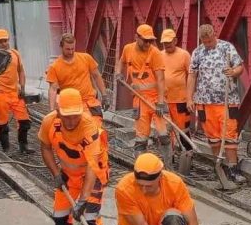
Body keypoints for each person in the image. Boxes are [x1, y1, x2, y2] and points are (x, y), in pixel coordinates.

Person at [38, 88, 111, 225]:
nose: (71, 121)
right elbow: (45, 147)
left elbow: (91, 167)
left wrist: (83, 200)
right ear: (59, 112)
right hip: (67, 176)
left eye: (75, 116)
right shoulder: (49, 123)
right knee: (60, 214)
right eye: (67, 116)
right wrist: (56, 174)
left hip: (93, 175)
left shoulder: (89, 128)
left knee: (90, 218)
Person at [187, 23, 245, 184]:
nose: (207, 44)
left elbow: (239, 66)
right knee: (213, 136)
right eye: (204, 42)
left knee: (230, 134)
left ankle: (233, 168)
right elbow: (192, 75)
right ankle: (219, 165)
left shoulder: (227, 48)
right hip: (205, 102)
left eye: (209, 41)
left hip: (227, 100)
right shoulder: (197, 52)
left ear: (214, 35)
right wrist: (189, 98)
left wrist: (233, 72)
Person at [117, 24, 168, 154]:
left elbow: (161, 79)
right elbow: (121, 61)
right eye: (145, 40)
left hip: (156, 100)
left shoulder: (155, 53)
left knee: (164, 136)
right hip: (139, 100)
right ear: (136, 37)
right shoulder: (128, 49)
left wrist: (161, 103)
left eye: (150, 40)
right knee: (141, 138)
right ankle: (141, 166)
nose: (148, 43)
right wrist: (119, 73)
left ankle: (168, 166)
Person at [0, 28, 32, 154]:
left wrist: (22, 87)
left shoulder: (15, 54)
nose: (3, 43)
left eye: (5, 41)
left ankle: (24, 146)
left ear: (8, 40)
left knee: (24, 121)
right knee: (3, 123)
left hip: (15, 93)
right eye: (0, 41)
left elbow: (21, 71)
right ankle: (7, 148)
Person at [46, 32, 108, 125]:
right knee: (77, 133)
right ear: (61, 46)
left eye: (72, 49)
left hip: (90, 103)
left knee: (96, 130)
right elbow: (53, 89)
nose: (71, 52)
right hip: (71, 106)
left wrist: (104, 95)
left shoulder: (86, 58)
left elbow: (96, 76)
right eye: (67, 49)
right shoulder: (55, 67)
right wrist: (52, 110)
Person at [159, 28, 192, 152]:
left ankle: (188, 154)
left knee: (183, 130)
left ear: (175, 41)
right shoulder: (159, 55)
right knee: (165, 131)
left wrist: (190, 98)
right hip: (164, 101)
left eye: (169, 42)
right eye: (164, 42)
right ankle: (170, 157)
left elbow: (192, 77)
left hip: (180, 100)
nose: (167, 44)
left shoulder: (184, 55)